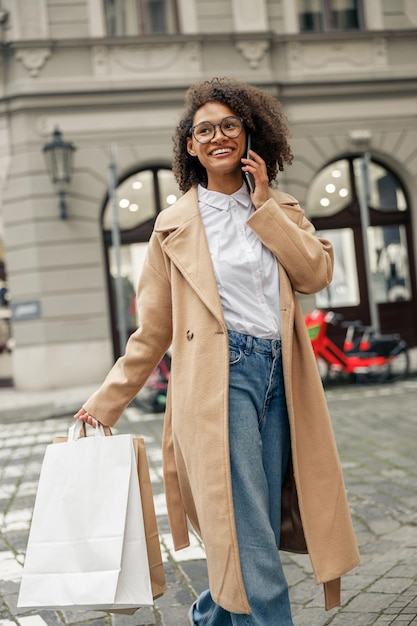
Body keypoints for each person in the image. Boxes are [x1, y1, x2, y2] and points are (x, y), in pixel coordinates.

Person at [75, 77, 360, 626]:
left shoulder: (280, 207)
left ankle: (213, 614)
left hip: (283, 378)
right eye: (204, 129)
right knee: (245, 521)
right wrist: (106, 401)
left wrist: (263, 206)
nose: (217, 136)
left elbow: (316, 273)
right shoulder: (172, 226)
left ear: (250, 134)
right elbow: (151, 331)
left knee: (258, 519)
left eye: (230, 125)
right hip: (219, 381)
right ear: (190, 146)